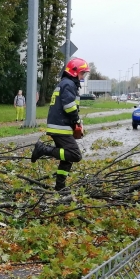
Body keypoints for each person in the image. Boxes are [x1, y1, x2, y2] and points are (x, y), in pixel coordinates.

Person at [30, 57, 88, 192]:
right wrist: (77, 122)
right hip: (61, 127)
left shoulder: (65, 83)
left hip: (61, 126)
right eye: (82, 73)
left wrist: (75, 124)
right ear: (74, 72)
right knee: (74, 154)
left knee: (67, 159)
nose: (83, 76)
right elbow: (69, 107)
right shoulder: (69, 84)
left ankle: (60, 187)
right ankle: (43, 149)